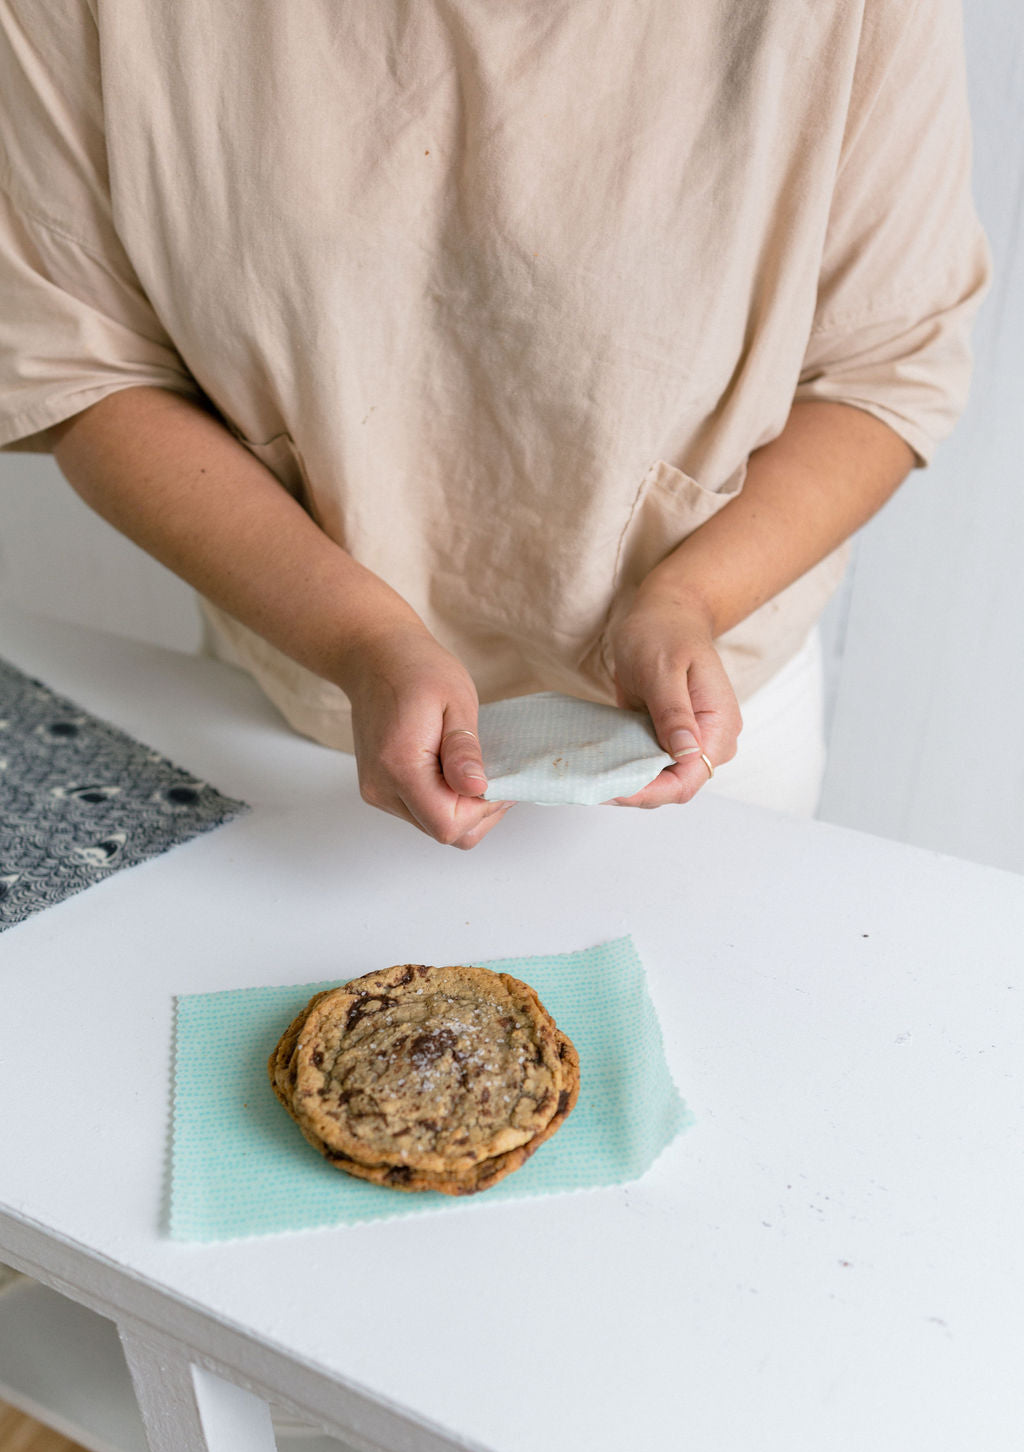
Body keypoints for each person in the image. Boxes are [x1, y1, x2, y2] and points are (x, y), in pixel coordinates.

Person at [0, 0, 990, 849]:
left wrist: (689, 598)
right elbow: (83, 363)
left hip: (701, 742)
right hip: (296, 713)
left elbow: (881, 363)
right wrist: (357, 635)